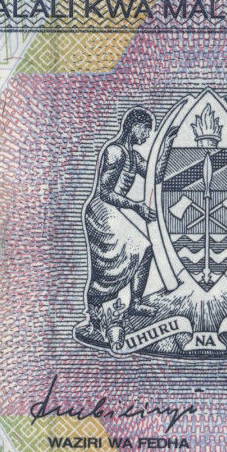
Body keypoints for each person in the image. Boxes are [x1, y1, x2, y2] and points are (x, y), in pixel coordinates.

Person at [83, 107, 160, 322]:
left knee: (146, 249)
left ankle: (135, 304)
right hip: (100, 211)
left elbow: (156, 174)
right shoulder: (115, 151)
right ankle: (95, 311)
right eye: (145, 129)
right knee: (107, 266)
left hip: (112, 210)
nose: (147, 135)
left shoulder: (133, 156)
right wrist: (136, 206)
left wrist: (168, 143)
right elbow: (105, 193)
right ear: (133, 126)